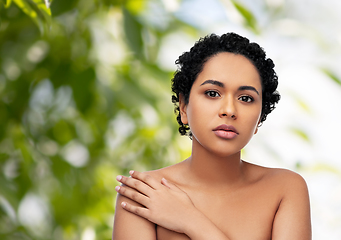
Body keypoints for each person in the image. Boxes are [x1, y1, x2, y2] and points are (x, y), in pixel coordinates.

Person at [112, 32, 312, 240]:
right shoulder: (144, 195)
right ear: (183, 106)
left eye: (245, 98)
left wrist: (190, 220)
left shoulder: (285, 189)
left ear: (260, 118)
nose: (229, 110)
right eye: (212, 93)